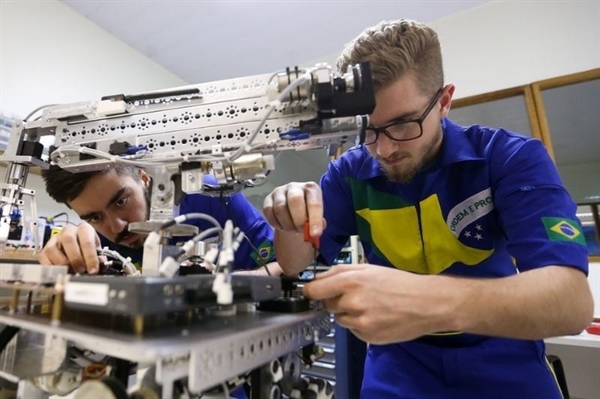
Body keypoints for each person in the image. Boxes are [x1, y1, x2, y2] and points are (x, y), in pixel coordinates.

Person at [263, 19, 594, 398]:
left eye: (403, 124)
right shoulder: (348, 172)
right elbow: (293, 264)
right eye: (367, 130)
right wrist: (288, 220)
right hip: (398, 367)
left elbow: (571, 303)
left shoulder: (509, 158)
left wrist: (426, 300)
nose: (384, 150)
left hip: (504, 358)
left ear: (444, 101)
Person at [39, 163, 281, 277]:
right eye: (94, 217)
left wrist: (231, 283)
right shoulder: (96, 239)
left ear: (144, 178)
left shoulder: (213, 196)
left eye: (121, 201)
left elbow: (285, 266)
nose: (117, 227)